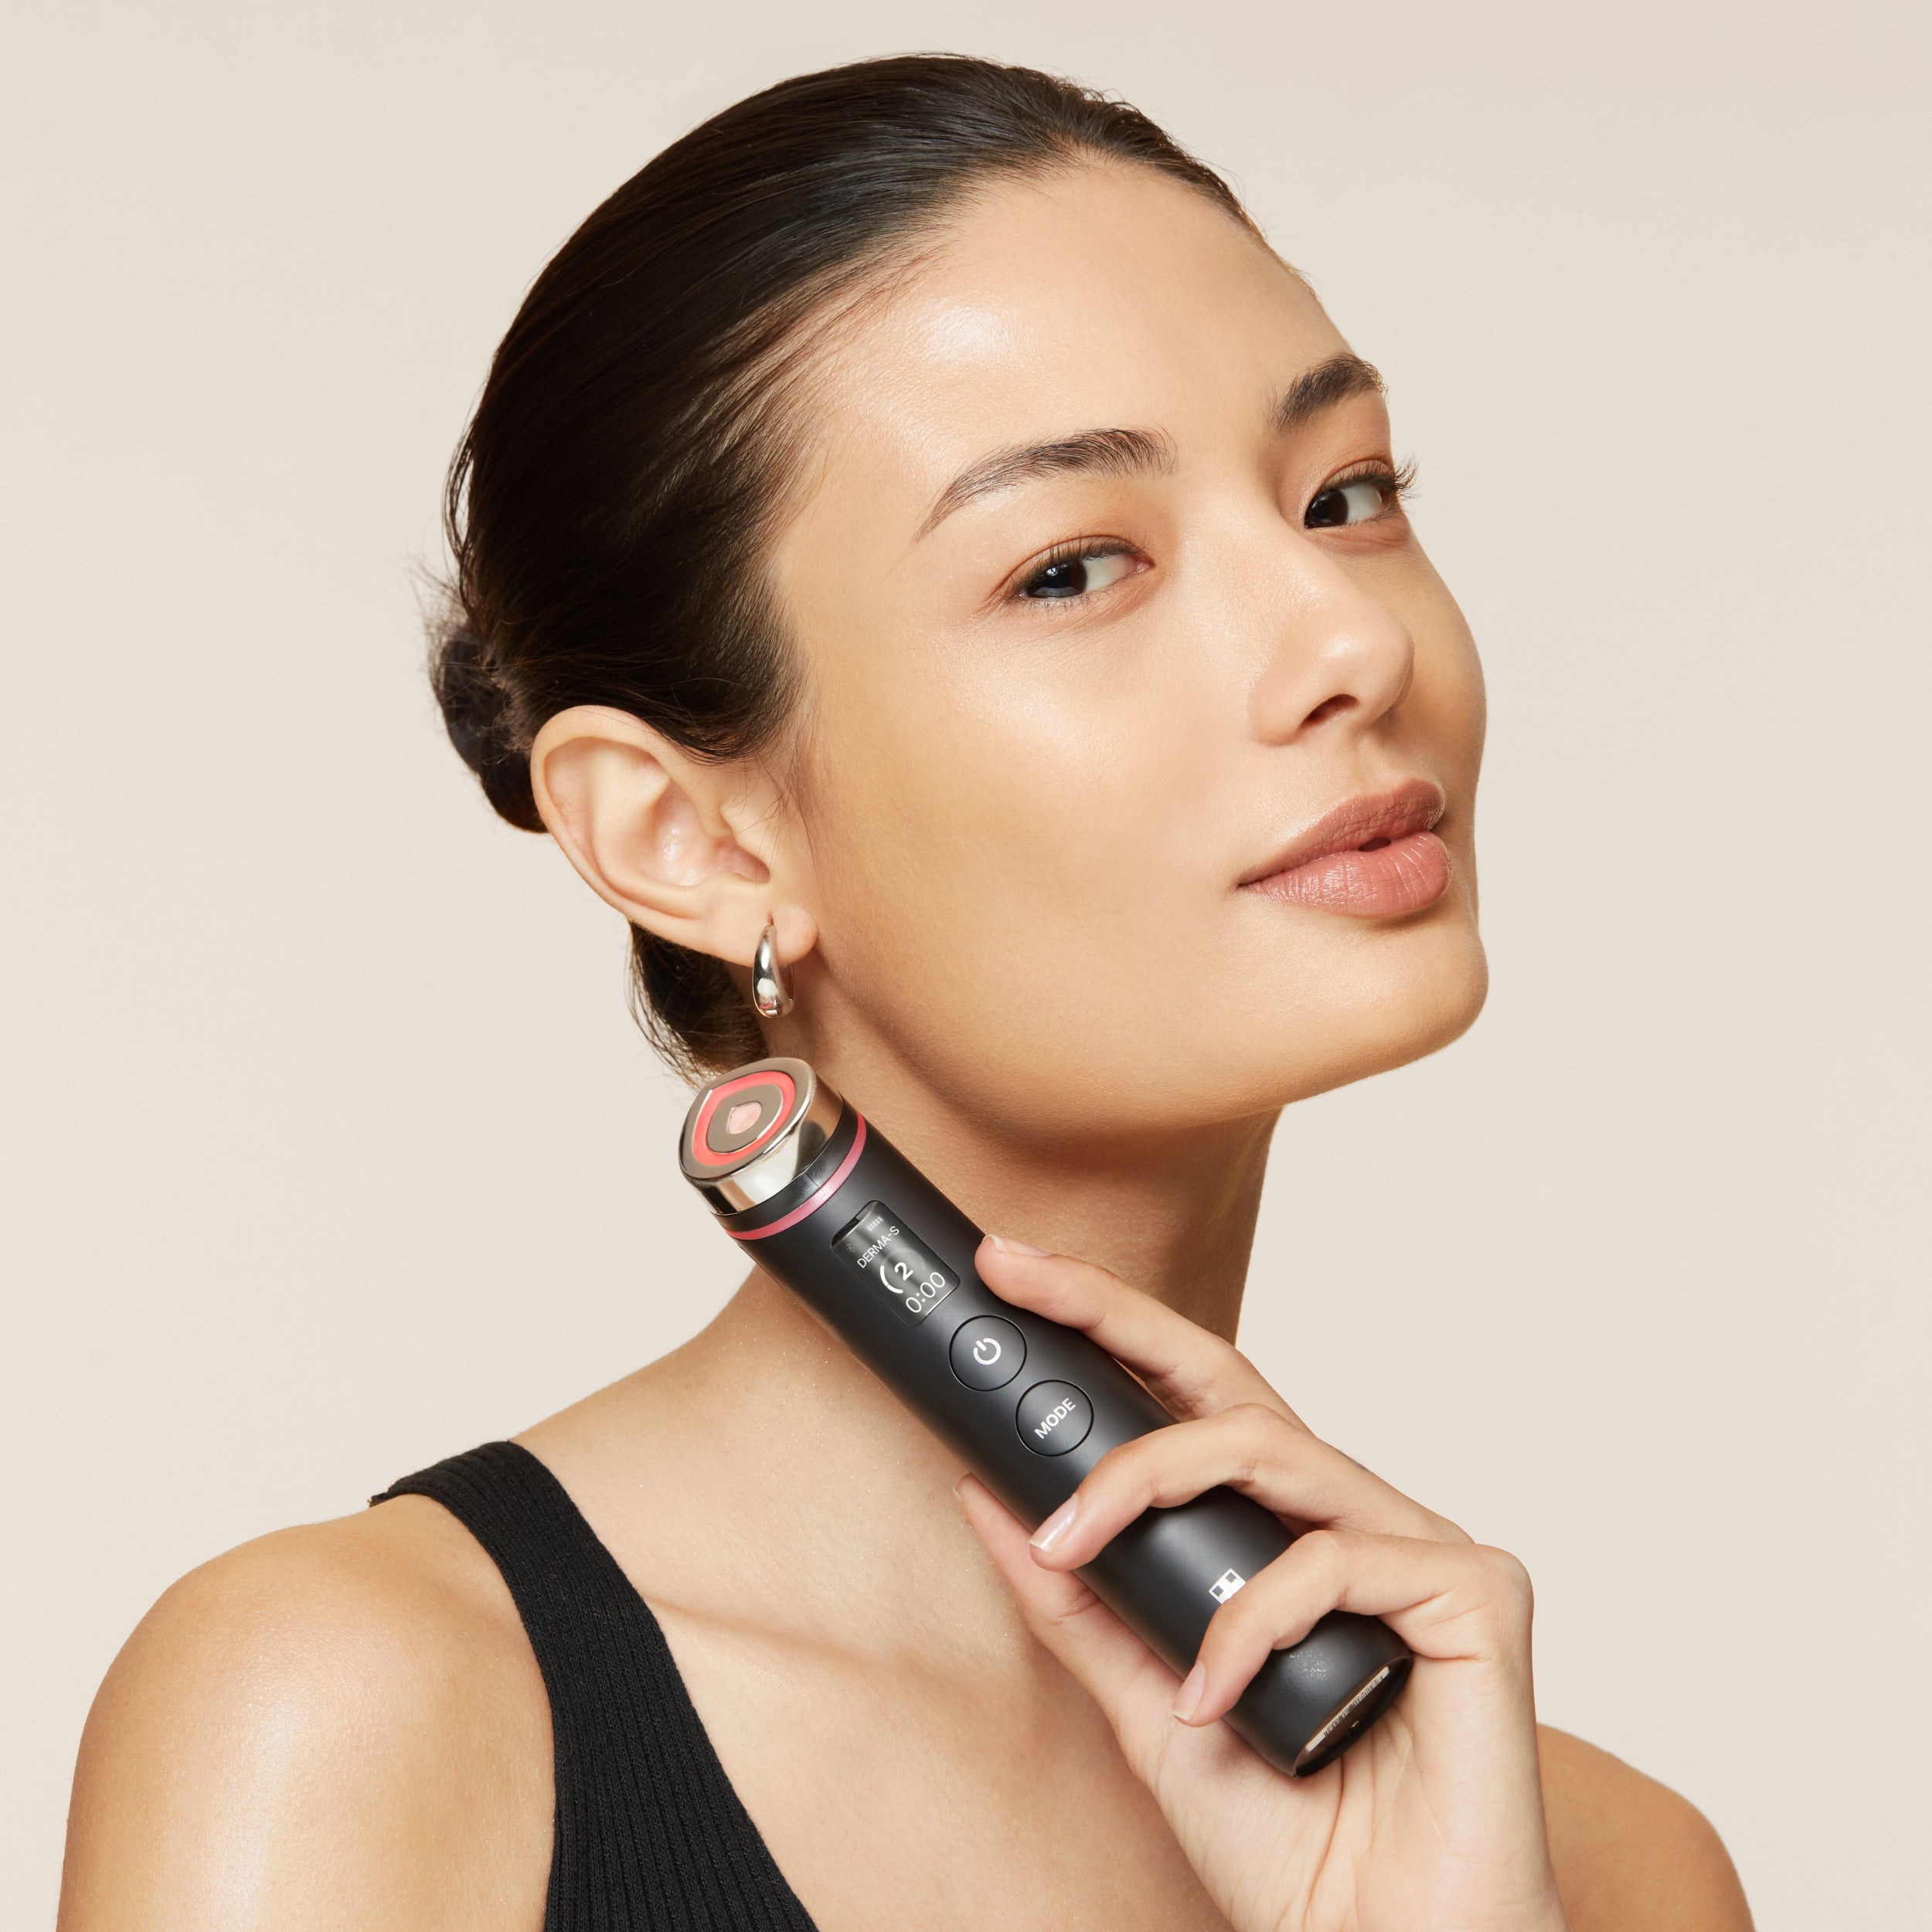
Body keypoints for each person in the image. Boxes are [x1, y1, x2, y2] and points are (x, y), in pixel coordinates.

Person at [57, 54, 1753, 1932]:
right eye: (1072, 567)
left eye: (1343, 491)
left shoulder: (1599, 1868)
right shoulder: (350, 1714)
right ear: (689, 834)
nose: (1348, 638)